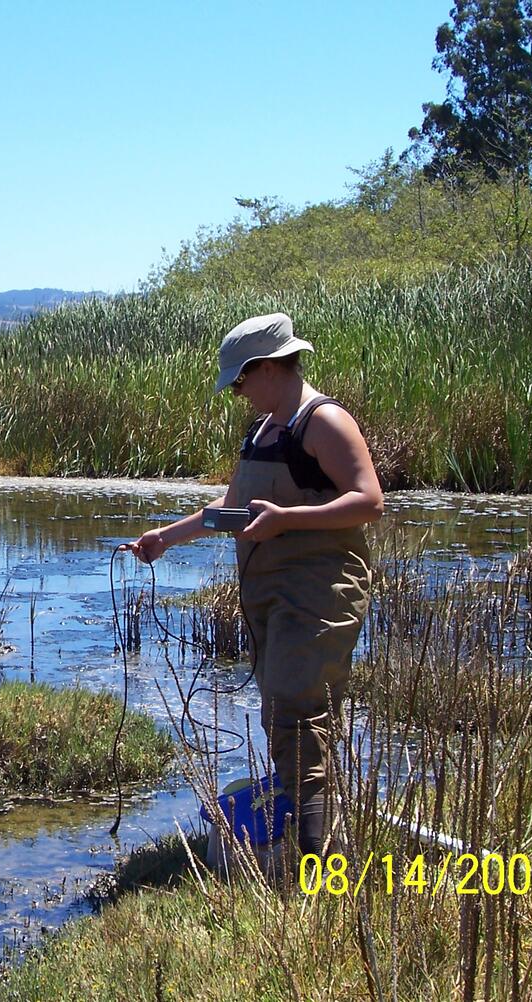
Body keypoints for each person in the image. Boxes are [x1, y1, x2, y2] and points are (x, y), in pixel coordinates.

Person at [130, 312, 383, 856]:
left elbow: (369, 500)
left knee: (298, 707)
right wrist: (164, 538)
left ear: (270, 367)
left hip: (321, 591)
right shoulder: (264, 428)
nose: (239, 393)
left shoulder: (324, 420)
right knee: (282, 714)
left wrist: (287, 519)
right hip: (268, 596)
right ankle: (307, 839)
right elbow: (231, 507)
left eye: (242, 380)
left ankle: (318, 863)